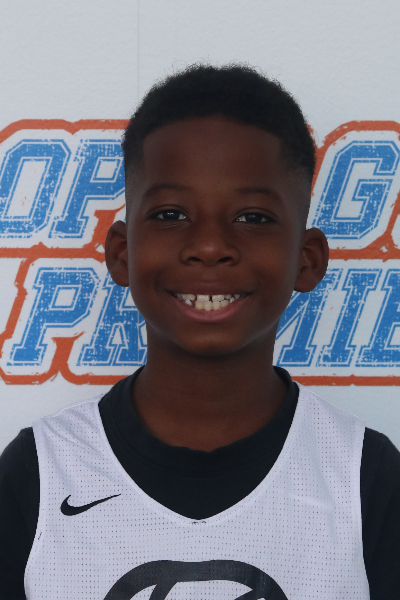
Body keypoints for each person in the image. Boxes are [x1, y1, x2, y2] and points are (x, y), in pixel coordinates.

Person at [0, 64, 399, 600]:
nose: (210, 246)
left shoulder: (364, 479)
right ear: (121, 253)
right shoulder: (41, 473)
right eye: (171, 214)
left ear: (307, 260)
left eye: (253, 218)